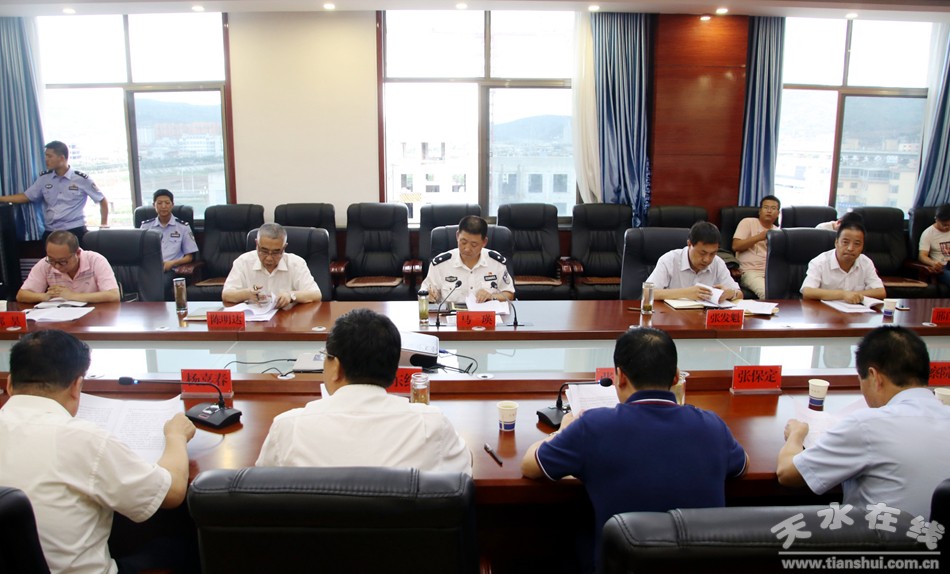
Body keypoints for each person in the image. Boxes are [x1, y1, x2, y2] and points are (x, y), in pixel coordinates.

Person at [521, 327, 747, 570]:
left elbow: (530, 466)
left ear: (620, 377)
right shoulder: (712, 425)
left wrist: (561, 431)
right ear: (675, 377)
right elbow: (741, 466)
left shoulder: (594, 426)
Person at [0, 329, 196, 574]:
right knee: (178, 547)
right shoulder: (84, 439)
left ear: (9, 384)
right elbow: (172, 493)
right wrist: (176, 436)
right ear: (77, 386)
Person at [256, 308, 472, 473]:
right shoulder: (432, 425)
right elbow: (464, 473)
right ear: (394, 368)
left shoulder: (288, 428)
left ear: (336, 367)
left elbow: (261, 493)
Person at [776, 326, 950, 519]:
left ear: (875, 377)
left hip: (881, 536)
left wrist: (796, 435)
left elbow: (787, 473)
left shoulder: (868, 425)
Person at [3, 140, 108, 242]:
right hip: (51, 231)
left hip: (74, 230)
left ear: (61, 158)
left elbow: (102, 200)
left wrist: (103, 227)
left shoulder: (81, 179)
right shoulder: (44, 178)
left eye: (49, 156)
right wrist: (2, 198)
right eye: (46, 156)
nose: (46, 159)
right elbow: (27, 196)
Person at [222, 222, 322, 308]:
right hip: (254, 320)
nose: (269, 258)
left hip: (287, 319)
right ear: (257, 244)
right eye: (264, 251)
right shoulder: (243, 261)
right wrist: (247, 294)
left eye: (276, 252)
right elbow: (226, 295)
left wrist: (290, 295)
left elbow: (316, 294)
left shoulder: (296, 263)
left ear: (284, 247)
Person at [421, 215, 514, 305]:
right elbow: (424, 292)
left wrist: (492, 296)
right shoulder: (441, 264)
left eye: (474, 244)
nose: (467, 249)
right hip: (452, 315)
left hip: (485, 314)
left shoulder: (495, 262)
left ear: (484, 242)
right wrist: (430, 295)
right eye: (463, 242)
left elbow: (509, 294)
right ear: (457, 236)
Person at [646, 221, 742, 303]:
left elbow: (740, 294)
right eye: (702, 253)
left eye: (712, 254)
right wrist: (686, 293)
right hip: (672, 316)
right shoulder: (670, 259)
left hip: (704, 316)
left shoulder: (717, 263)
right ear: (689, 244)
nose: (707, 259)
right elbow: (647, 293)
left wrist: (730, 293)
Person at [17, 230, 120, 303]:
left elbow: (113, 295)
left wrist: (72, 296)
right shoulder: (45, 264)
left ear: (78, 253)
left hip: (95, 315)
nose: (56, 266)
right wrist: (45, 296)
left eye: (62, 261)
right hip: (61, 318)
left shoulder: (96, 260)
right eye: (52, 260)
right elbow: (21, 295)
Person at [800, 220, 885, 303]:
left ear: (862, 247)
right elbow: (807, 292)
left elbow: (880, 292)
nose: (850, 248)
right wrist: (843, 295)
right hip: (825, 311)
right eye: (845, 242)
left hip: (855, 311)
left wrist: (853, 295)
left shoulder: (866, 262)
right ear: (836, 242)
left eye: (857, 244)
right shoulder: (820, 262)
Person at [140, 189, 199, 298]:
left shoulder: (182, 227)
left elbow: (189, 257)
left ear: (172, 205)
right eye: (159, 203)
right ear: (154, 205)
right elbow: (139, 252)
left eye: (167, 203)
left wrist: (172, 263)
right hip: (149, 269)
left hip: (171, 270)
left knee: (158, 286)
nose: (163, 206)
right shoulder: (146, 227)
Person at [732, 195, 781, 299]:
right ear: (760, 211)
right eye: (766, 207)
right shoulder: (748, 222)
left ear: (778, 214)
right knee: (767, 294)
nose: (769, 211)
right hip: (750, 271)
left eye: (773, 208)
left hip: (771, 273)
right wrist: (759, 237)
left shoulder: (778, 232)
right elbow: (736, 246)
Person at [917, 204, 950, 288]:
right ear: (936, 219)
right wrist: (933, 263)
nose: (947, 227)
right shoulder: (928, 233)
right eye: (944, 224)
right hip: (942, 268)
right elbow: (922, 256)